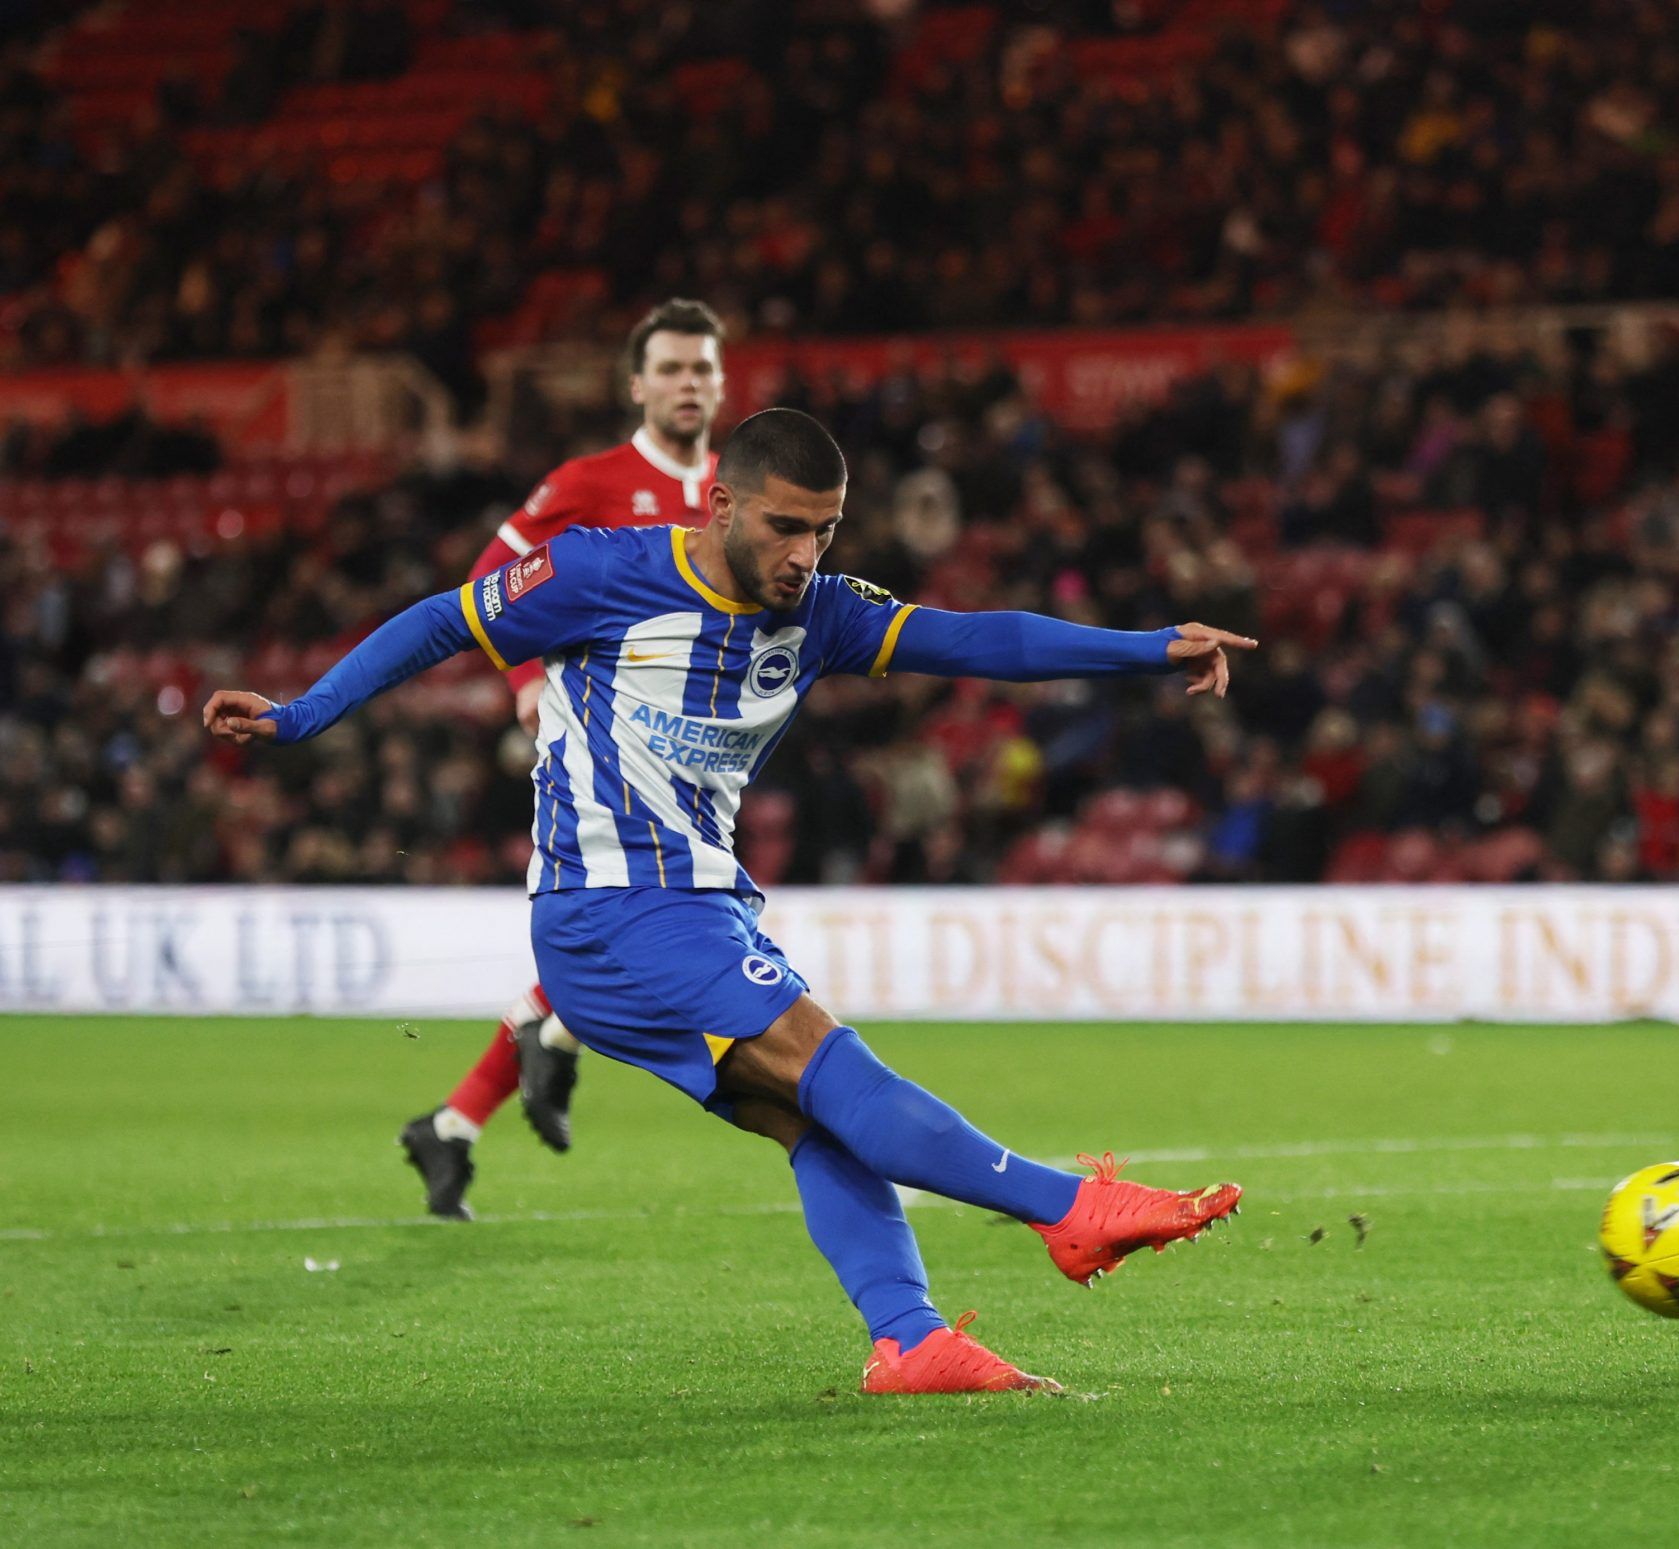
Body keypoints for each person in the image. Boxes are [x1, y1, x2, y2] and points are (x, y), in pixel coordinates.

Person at [206, 408, 1259, 1393]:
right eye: (785, 526)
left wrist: (1149, 648)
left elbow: (984, 640)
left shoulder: (825, 616)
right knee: (827, 1061)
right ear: (720, 506)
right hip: (611, 910)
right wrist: (302, 716)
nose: (806, 554)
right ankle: (1068, 1206)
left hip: (693, 910)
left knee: (816, 1124)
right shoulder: (600, 573)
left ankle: (908, 1338)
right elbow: (446, 621)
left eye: (827, 530)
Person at [400, 299, 728, 1220]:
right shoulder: (589, 482)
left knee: (632, 931)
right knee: (646, 924)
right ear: (638, 385)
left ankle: (468, 1111)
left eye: (703, 368)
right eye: (671, 369)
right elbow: (484, 586)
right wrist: (525, 681)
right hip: (601, 753)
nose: (688, 384)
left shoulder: (734, 492)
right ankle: (550, 1032)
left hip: (696, 761)